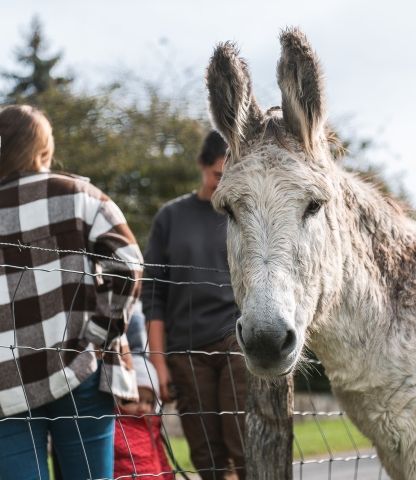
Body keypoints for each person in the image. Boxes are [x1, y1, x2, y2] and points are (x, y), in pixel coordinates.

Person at [0, 105, 143, 480]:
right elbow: (128, 264)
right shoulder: (79, 194)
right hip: (78, 367)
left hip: (4, 387)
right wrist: (99, 334)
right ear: (43, 151)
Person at [142, 130, 246, 480]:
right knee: (206, 454)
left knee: (244, 442)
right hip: (186, 349)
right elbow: (153, 296)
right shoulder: (171, 218)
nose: (223, 184)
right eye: (218, 175)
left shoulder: (243, 217)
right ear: (202, 166)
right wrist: (159, 365)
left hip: (236, 340)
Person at [114, 353, 174, 480]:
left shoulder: (152, 426)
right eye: (137, 400)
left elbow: (161, 458)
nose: (143, 407)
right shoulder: (115, 425)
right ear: (122, 396)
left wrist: (169, 477)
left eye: (149, 402)